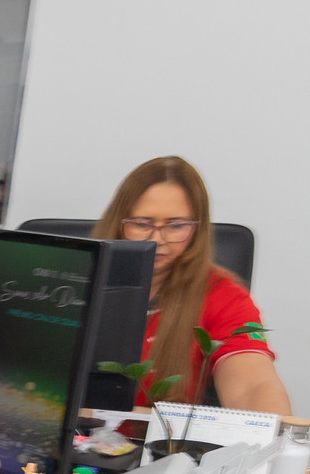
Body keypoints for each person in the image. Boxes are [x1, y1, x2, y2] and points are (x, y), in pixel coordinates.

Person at [97, 156, 290, 414]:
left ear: (197, 229)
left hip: (164, 450)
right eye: (142, 224)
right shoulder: (75, 280)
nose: (157, 239)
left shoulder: (226, 298)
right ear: (119, 223)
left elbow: (252, 386)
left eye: (176, 226)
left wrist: (273, 432)